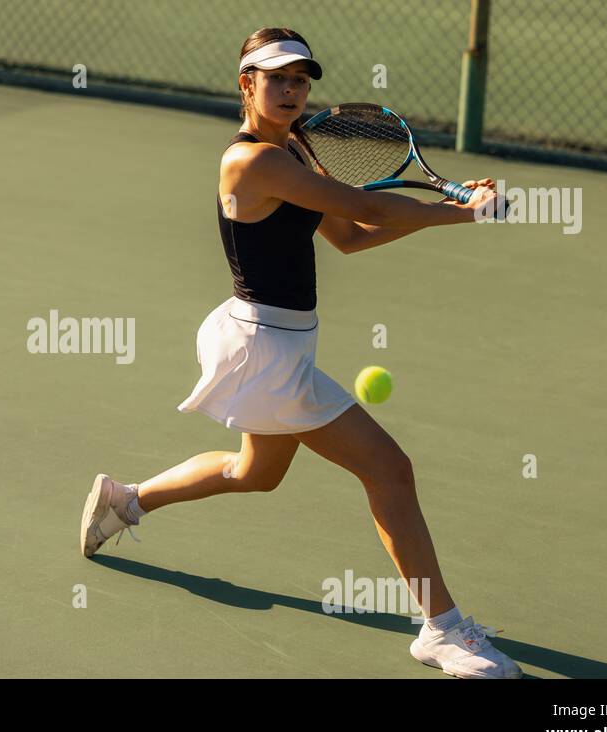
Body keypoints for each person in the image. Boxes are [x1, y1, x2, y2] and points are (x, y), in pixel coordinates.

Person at [79, 27, 521, 679]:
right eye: (276, 77)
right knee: (390, 470)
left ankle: (125, 500)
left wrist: (452, 208)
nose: (291, 89)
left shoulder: (296, 156)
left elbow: (349, 234)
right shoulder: (252, 161)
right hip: (263, 347)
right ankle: (442, 630)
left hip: (271, 340)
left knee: (255, 472)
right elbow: (365, 203)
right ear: (247, 84)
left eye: (301, 79)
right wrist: (466, 212)